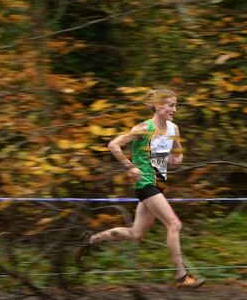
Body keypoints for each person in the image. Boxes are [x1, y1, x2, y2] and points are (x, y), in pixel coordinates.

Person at [75, 89, 204, 288]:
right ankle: (182, 276)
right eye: (171, 105)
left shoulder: (173, 129)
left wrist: (174, 159)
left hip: (159, 183)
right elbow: (113, 144)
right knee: (174, 225)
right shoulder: (144, 128)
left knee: (136, 234)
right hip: (145, 183)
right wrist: (130, 166)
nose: (175, 109)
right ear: (159, 106)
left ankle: (92, 239)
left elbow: (178, 155)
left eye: (176, 105)